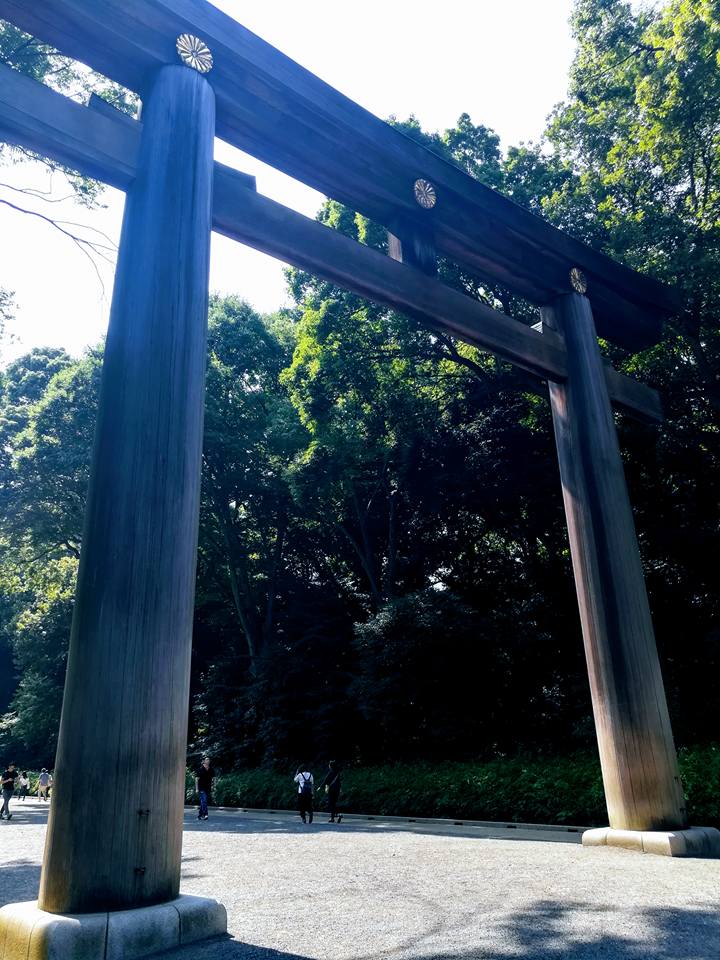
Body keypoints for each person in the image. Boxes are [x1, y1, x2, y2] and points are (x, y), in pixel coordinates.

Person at [195, 757, 213, 821]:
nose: (208, 761)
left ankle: (199, 815)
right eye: (206, 760)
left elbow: (213, 778)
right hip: (201, 788)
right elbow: (196, 780)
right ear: (204, 761)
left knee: (203, 802)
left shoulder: (211, 769)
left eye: (209, 760)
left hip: (208, 788)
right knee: (204, 801)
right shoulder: (200, 769)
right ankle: (206, 814)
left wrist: (214, 786)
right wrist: (196, 789)